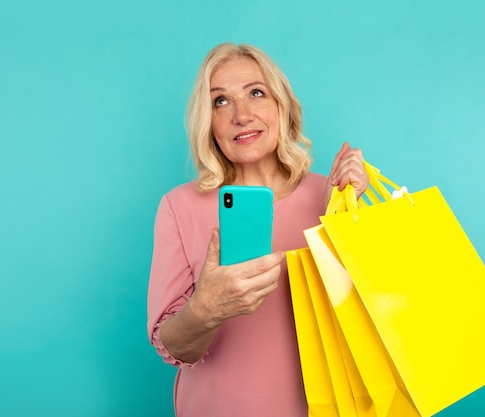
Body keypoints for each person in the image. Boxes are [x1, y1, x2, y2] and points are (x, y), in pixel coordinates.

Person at [147, 42, 369, 417]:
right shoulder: (178, 207)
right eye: (221, 101)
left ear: (282, 107)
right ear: (208, 122)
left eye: (256, 93)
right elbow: (174, 348)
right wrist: (204, 310)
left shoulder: (330, 195)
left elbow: (368, 321)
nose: (242, 114)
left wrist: (347, 215)